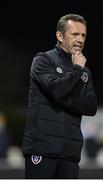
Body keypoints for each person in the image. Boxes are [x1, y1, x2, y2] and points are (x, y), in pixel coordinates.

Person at [22, 13, 97, 179]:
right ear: (60, 36)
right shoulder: (43, 60)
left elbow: (91, 107)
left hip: (70, 153)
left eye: (83, 35)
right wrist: (76, 70)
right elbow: (57, 90)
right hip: (42, 150)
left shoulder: (86, 72)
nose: (80, 39)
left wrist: (61, 99)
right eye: (75, 34)